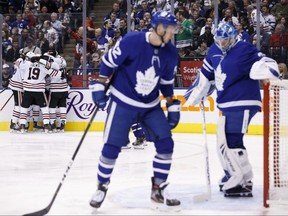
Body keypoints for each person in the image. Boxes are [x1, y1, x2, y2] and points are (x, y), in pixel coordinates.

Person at [88, 11, 181, 210]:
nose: (173, 34)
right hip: (123, 102)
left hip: (150, 106)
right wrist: (100, 85)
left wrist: (172, 104)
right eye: (170, 29)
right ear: (158, 28)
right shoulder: (132, 41)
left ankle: (158, 188)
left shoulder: (171, 53)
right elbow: (108, 62)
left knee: (166, 144)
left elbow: (166, 83)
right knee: (112, 148)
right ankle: (102, 186)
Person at [184, 22, 280, 198]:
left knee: (231, 139)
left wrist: (267, 69)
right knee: (224, 140)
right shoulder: (214, 50)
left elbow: (268, 63)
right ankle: (235, 174)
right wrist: (194, 96)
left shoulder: (244, 48)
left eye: (226, 40)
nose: (223, 44)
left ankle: (242, 179)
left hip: (243, 100)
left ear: (233, 37)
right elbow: (205, 77)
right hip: (226, 102)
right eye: (220, 40)